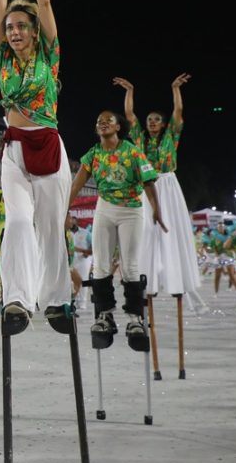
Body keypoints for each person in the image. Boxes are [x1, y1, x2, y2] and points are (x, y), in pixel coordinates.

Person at [0, 0, 71, 332]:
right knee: (17, 222)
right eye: (10, 28)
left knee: (50, 228)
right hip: (14, 148)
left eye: (21, 27)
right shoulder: (2, 58)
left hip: (48, 147)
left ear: (34, 31)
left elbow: (46, 7)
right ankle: (17, 299)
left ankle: (55, 301)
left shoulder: (49, 55)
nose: (13, 31)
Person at [68, 111, 166, 346]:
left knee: (129, 265)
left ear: (118, 127)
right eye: (99, 120)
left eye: (108, 120)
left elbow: (149, 182)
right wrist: (64, 208)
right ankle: (105, 315)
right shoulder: (93, 154)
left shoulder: (131, 151)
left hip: (131, 210)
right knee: (101, 264)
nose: (102, 122)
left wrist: (156, 209)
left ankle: (134, 318)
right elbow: (77, 183)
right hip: (105, 208)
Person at [114, 74, 209, 315]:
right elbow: (129, 115)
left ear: (164, 124)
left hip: (167, 184)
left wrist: (175, 89)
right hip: (147, 185)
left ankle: (182, 287)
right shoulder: (140, 140)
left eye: (157, 119)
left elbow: (178, 111)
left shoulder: (171, 137)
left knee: (172, 233)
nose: (152, 122)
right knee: (145, 231)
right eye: (150, 120)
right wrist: (130, 91)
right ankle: (148, 284)